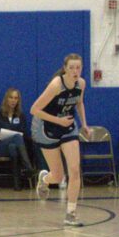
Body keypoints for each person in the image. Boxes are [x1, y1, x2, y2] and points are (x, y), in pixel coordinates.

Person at [30, 53, 92, 226]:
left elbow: (79, 102)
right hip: (47, 128)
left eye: (78, 67)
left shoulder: (81, 84)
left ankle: (71, 213)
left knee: (74, 170)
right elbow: (34, 109)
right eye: (71, 67)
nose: (75, 71)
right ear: (65, 68)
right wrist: (58, 120)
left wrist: (84, 124)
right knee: (58, 176)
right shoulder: (57, 84)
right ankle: (44, 179)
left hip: (68, 127)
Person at [0, 88, 35, 190]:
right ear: (6, 99)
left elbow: (24, 133)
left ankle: (17, 184)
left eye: (16, 98)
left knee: (13, 147)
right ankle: (28, 167)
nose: (13, 100)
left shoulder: (21, 116)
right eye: (11, 97)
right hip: (1, 147)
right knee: (17, 137)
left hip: (16, 146)